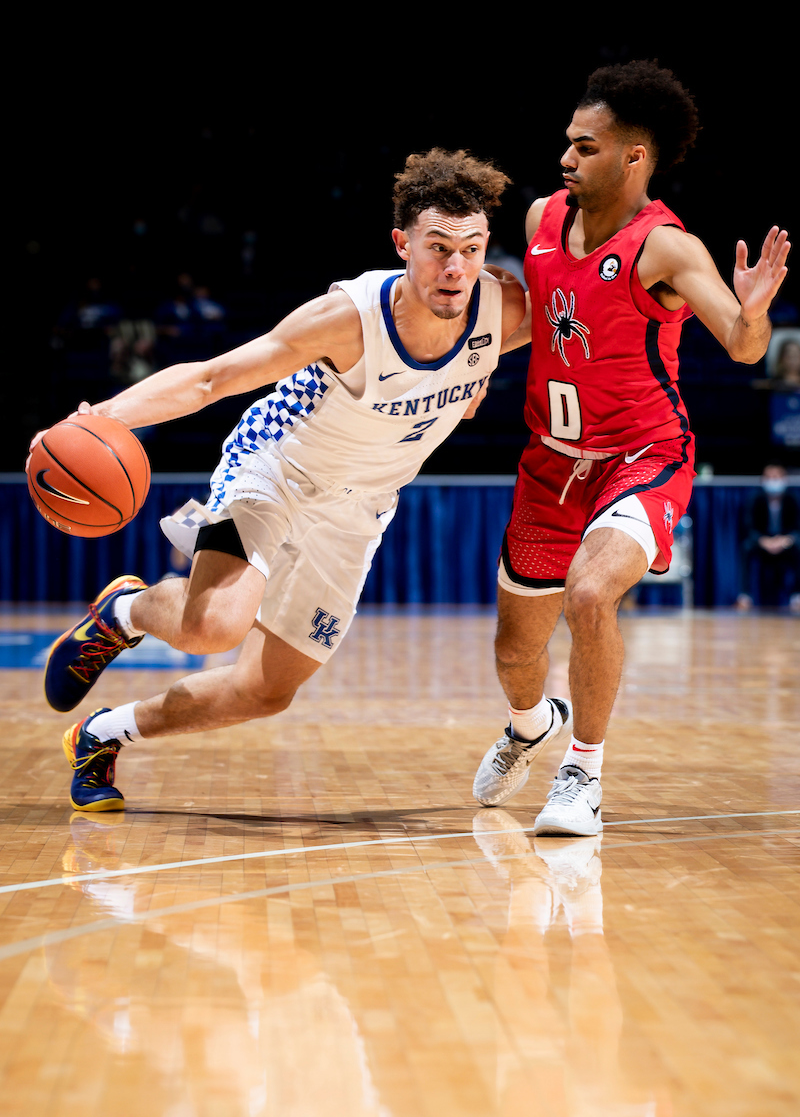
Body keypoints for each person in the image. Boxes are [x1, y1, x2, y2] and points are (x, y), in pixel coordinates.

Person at [34, 148, 526, 811]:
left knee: (266, 691)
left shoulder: (504, 312)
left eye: (470, 248)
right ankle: (122, 611)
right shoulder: (348, 318)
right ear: (402, 244)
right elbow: (211, 377)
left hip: (359, 510)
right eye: (438, 248)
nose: (455, 267)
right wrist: (101, 416)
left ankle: (100, 736)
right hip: (278, 467)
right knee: (213, 627)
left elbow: (600, 318)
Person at [472, 61, 790, 835]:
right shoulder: (542, 219)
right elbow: (539, 321)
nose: (566, 159)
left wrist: (751, 315)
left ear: (633, 157)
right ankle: (528, 727)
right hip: (549, 462)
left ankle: (582, 772)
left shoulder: (668, 249)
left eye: (584, 147)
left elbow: (747, 347)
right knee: (517, 654)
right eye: (569, 144)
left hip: (643, 455)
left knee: (590, 594)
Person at [737, 464, 800, 608]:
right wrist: (762, 540)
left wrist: (786, 540)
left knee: (799, 547)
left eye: (776, 477)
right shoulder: (755, 499)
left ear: (784, 479)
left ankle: (797, 595)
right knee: (745, 548)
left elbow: (797, 527)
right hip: (762, 542)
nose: (773, 481)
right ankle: (744, 595)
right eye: (769, 477)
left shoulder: (793, 499)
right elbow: (749, 526)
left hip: (785, 542)